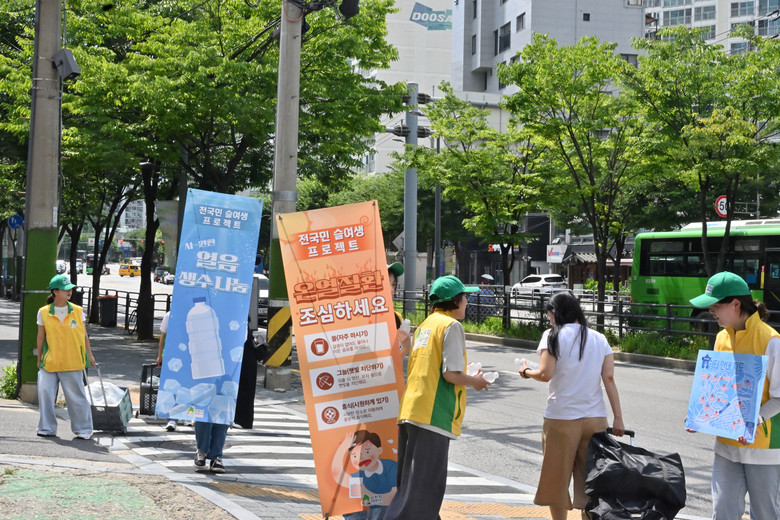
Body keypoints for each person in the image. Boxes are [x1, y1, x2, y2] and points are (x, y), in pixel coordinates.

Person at [383, 275, 490, 520]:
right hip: (433, 414)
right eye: (465, 297)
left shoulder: (426, 324)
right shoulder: (451, 326)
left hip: (411, 410)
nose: (467, 302)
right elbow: (451, 374)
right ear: (455, 300)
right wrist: (475, 381)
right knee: (424, 491)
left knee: (411, 486)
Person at [518, 290, 624, 520]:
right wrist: (618, 418)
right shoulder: (599, 338)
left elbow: (545, 374)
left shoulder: (552, 335)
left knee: (557, 479)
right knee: (592, 479)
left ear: (555, 313)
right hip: (595, 418)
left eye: (549, 315)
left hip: (561, 418)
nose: (549, 319)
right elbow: (609, 378)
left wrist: (526, 371)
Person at [689, 272, 780, 519]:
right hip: (726, 446)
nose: (711, 312)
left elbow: (779, 398)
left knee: (765, 514)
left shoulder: (771, 340)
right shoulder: (721, 338)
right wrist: (701, 416)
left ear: (736, 304)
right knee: (722, 511)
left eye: (715, 306)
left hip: (764, 448)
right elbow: (718, 390)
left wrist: (754, 421)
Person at [36, 274, 96, 440]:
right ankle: (46, 428)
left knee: (76, 397)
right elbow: (40, 337)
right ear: (55, 292)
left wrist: (90, 355)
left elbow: (84, 336)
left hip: (72, 361)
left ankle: (84, 429)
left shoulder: (78, 311)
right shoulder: (43, 312)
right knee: (45, 394)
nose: (69, 291)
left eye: (70, 288)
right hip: (50, 362)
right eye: (65, 289)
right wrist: (39, 358)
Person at [331, 429, 397, 519]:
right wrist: (342, 448)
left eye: (367, 451)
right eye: (355, 455)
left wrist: (368, 496)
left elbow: (393, 497)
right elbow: (337, 474)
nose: (361, 457)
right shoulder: (358, 476)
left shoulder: (390, 466)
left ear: (379, 450)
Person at [157, 311, 192, 432]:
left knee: (186, 386)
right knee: (173, 388)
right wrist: (160, 356)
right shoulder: (169, 315)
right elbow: (162, 337)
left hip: (188, 356)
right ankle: (172, 419)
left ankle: (187, 416)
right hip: (171, 357)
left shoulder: (191, 314)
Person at [387, 262, 411, 357]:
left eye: (393, 284)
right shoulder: (354, 316)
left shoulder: (396, 318)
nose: (391, 290)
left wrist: (405, 348)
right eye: (385, 283)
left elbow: (392, 362)